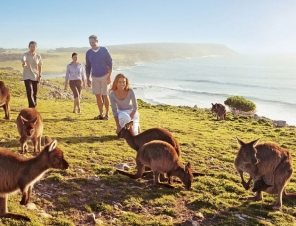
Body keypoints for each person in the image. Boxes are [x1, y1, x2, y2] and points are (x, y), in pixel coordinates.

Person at [85, 35, 112, 120]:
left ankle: (107, 114)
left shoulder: (104, 50)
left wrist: (109, 76)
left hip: (105, 75)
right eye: (90, 42)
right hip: (94, 77)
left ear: (97, 41)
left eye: (93, 42)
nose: (91, 44)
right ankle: (101, 114)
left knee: (105, 95)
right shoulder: (88, 52)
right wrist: (88, 78)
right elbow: (88, 66)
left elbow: (110, 63)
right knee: (98, 96)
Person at [21, 41, 42, 108]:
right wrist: (24, 62)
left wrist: (39, 76)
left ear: (36, 47)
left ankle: (33, 107)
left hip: (35, 76)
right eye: (31, 47)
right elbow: (23, 58)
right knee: (30, 92)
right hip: (27, 76)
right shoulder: (25, 54)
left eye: (34, 47)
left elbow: (40, 66)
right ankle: (32, 107)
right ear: (29, 47)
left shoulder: (38, 56)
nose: (32, 48)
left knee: (35, 94)